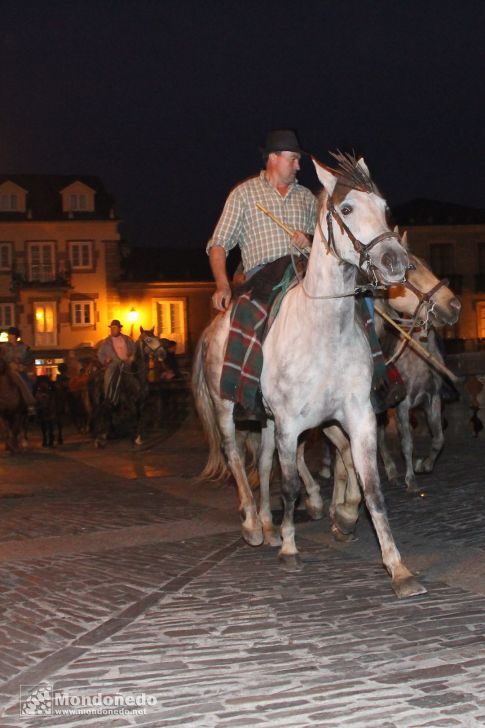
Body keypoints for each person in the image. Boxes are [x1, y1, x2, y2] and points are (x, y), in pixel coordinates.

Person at [206, 128, 317, 420]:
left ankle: (377, 379)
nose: (298, 165)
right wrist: (222, 285)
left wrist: (310, 238)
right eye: (293, 159)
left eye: (297, 160)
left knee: (354, 301)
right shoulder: (244, 194)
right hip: (262, 277)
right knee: (245, 312)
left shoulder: (307, 197)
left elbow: (326, 242)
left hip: (303, 274)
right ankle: (247, 395)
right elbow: (218, 244)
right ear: (273, 158)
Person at [97, 320, 135, 402]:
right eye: (111, 328)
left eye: (114, 328)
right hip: (113, 365)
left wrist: (132, 356)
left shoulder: (127, 339)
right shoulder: (106, 342)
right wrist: (105, 360)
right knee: (108, 377)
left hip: (126, 364)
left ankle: (136, 395)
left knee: (134, 379)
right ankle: (108, 398)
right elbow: (100, 354)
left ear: (119, 329)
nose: (112, 330)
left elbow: (134, 349)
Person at [2, 326, 36, 413]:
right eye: (9, 335)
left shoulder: (25, 348)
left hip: (20, 371)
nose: (9, 337)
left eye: (11, 335)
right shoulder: (3, 348)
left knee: (27, 385)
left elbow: (30, 360)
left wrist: (21, 364)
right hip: (6, 372)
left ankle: (30, 405)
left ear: (16, 337)